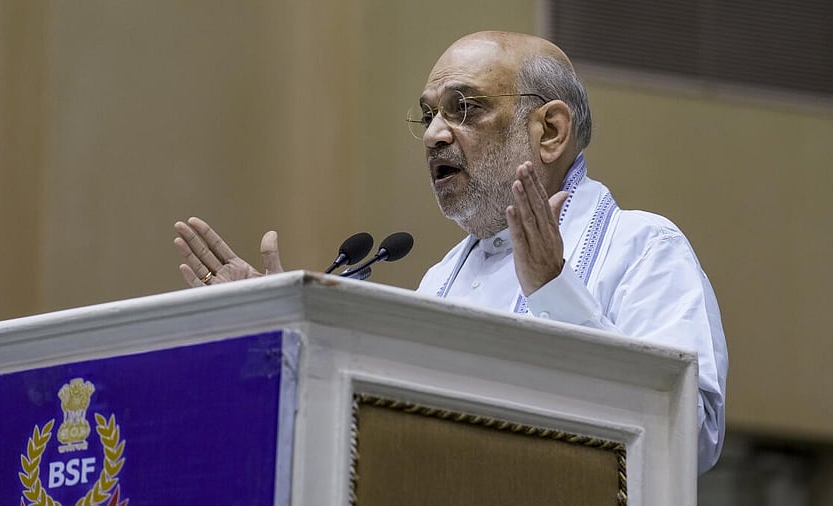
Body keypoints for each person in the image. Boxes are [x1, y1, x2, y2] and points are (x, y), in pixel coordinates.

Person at [173, 31, 727, 473]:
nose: (435, 134)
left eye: (464, 108)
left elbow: (694, 438)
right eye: (430, 113)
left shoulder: (644, 247)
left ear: (551, 131)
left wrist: (557, 292)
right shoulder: (441, 280)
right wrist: (277, 337)